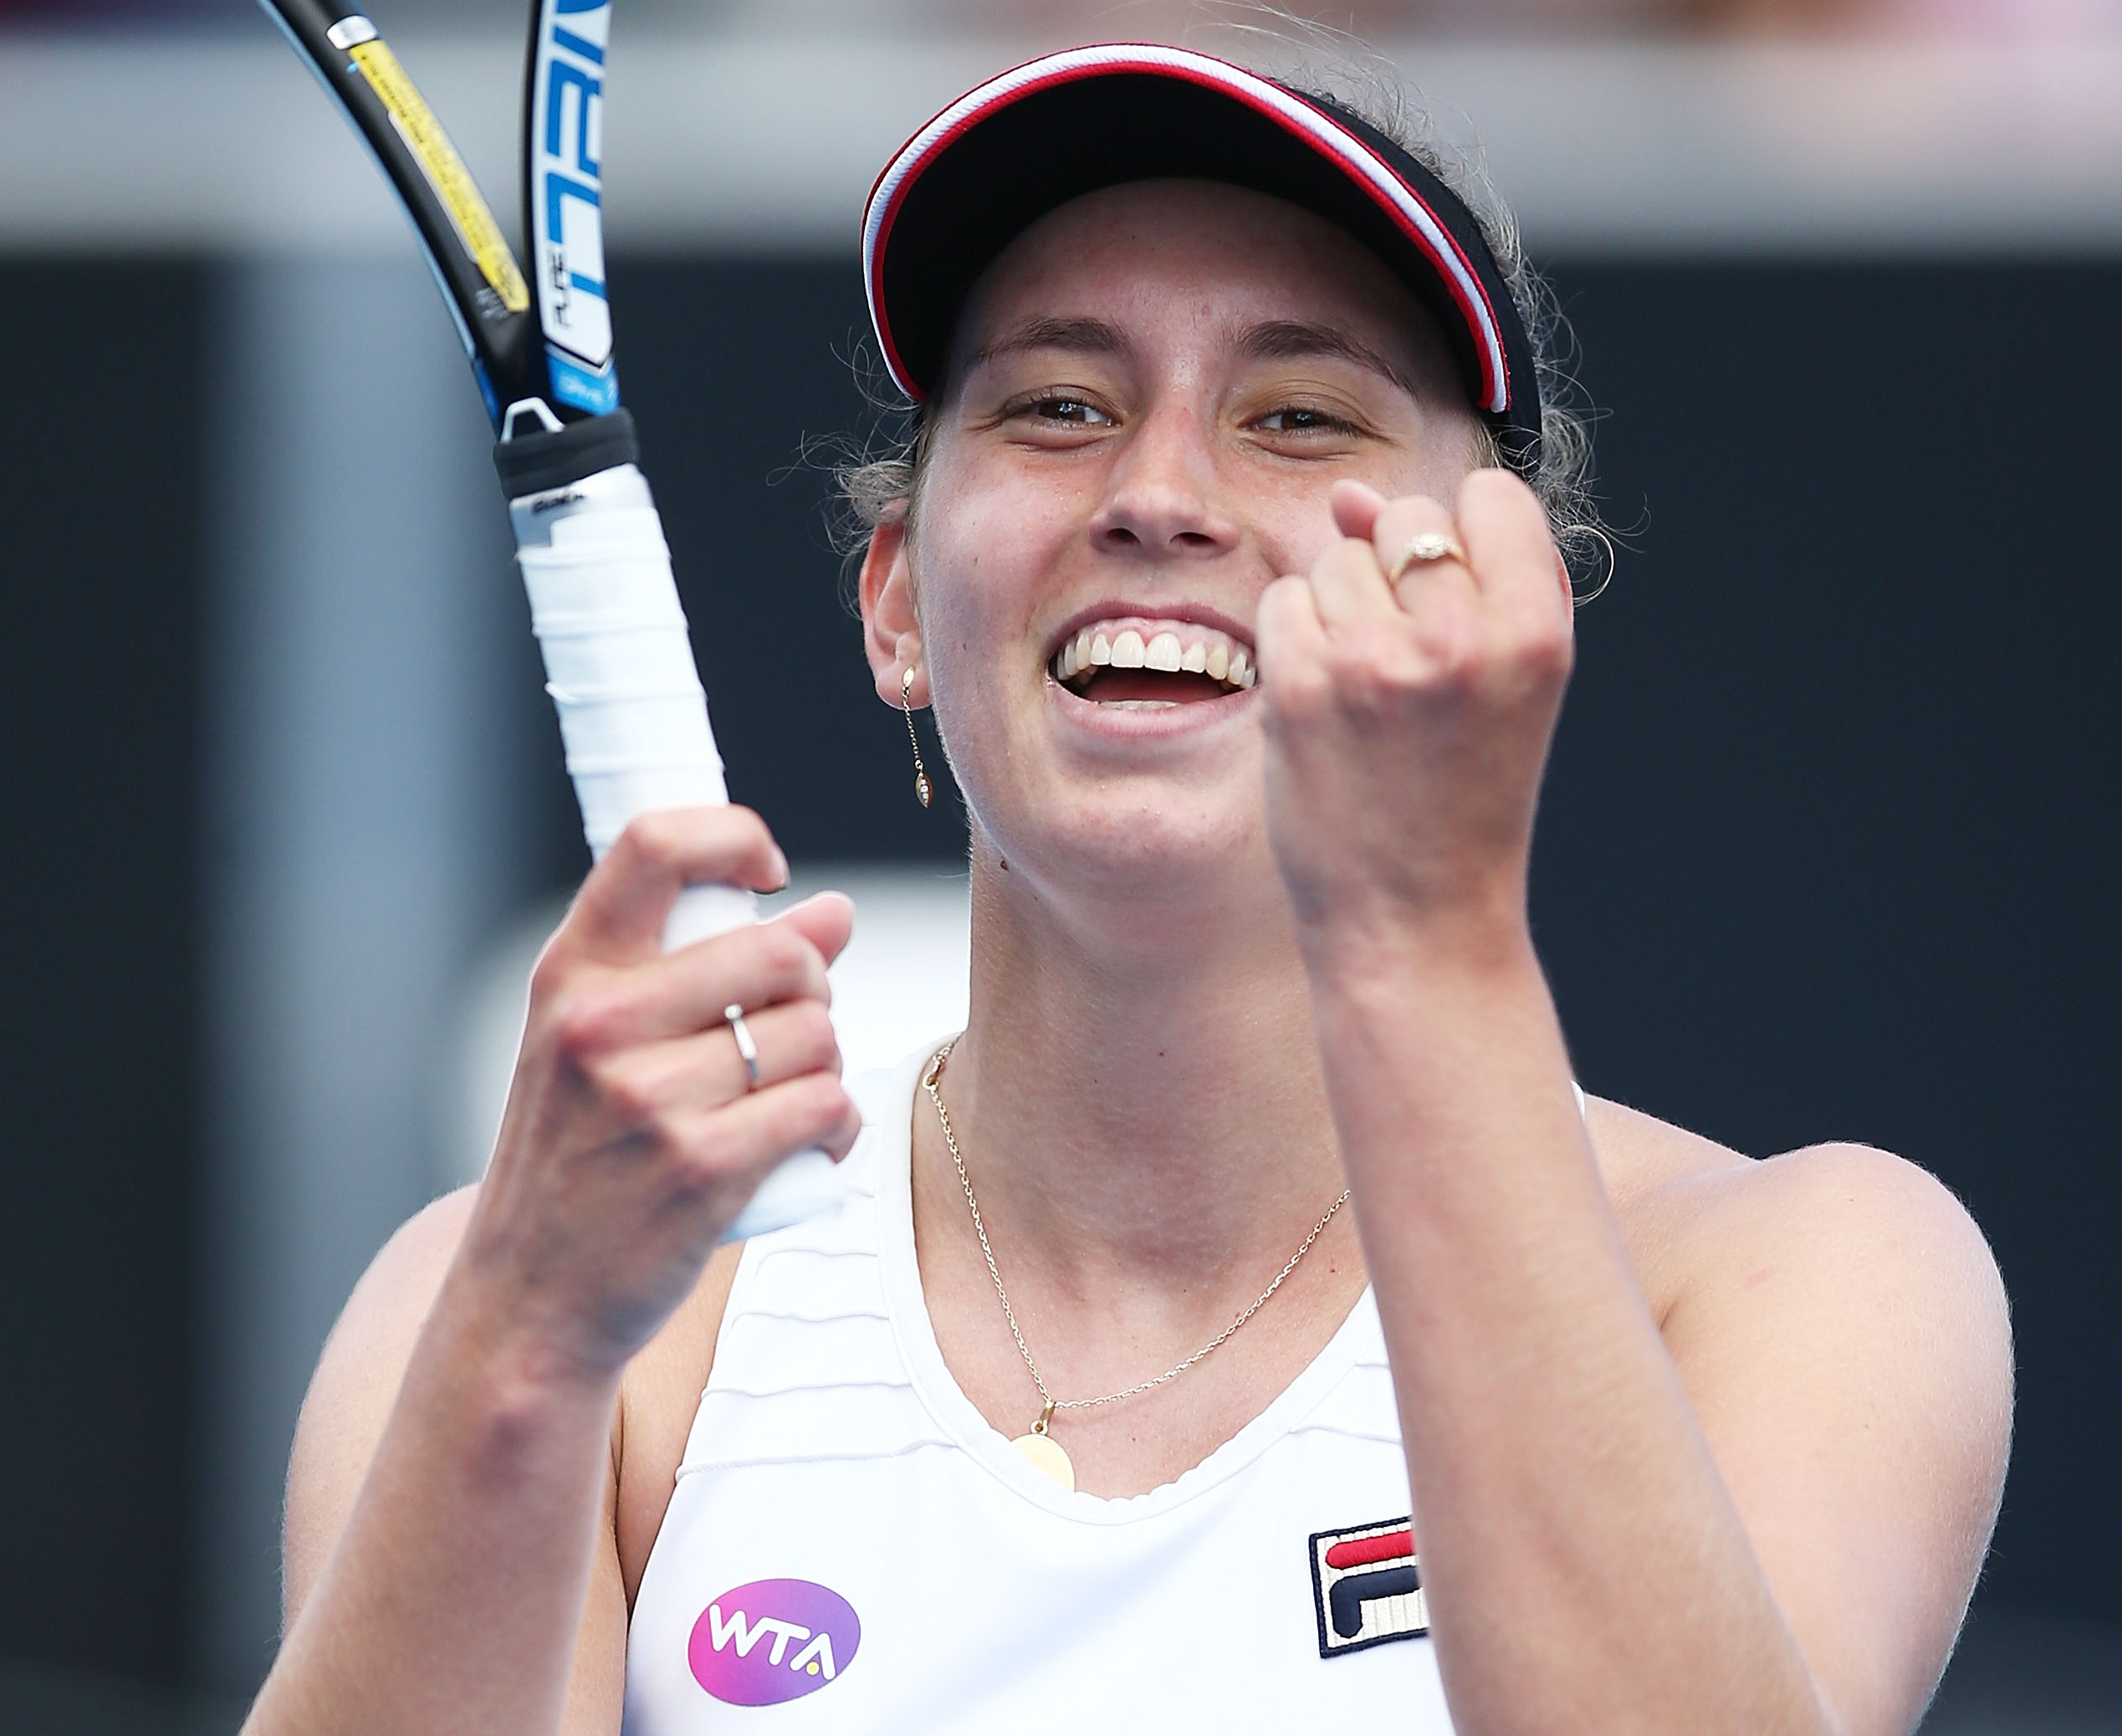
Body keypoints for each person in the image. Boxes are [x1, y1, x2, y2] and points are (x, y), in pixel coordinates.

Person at [243, 40, 2012, 1736]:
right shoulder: (547, 1334)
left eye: (1301, 417)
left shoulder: (1801, 1279)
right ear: (894, 605)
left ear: (1506, 592)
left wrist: (1422, 933)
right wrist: (529, 1353)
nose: (1161, 493)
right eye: (1059, 405)